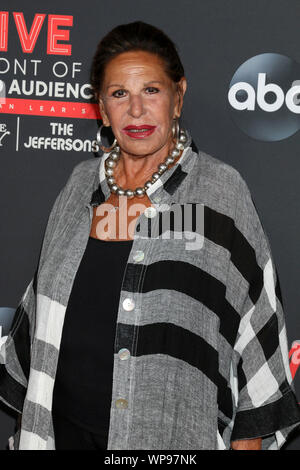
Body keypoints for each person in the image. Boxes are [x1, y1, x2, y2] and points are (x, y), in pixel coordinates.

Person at [1, 20, 300, 451]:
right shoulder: (79, 186)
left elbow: (256, 335)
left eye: (151, 91)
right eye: (119, 94)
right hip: (61, 433)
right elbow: (44, 312)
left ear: (178, 98)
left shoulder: (219, 191)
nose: (136, 111)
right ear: (102, 109)